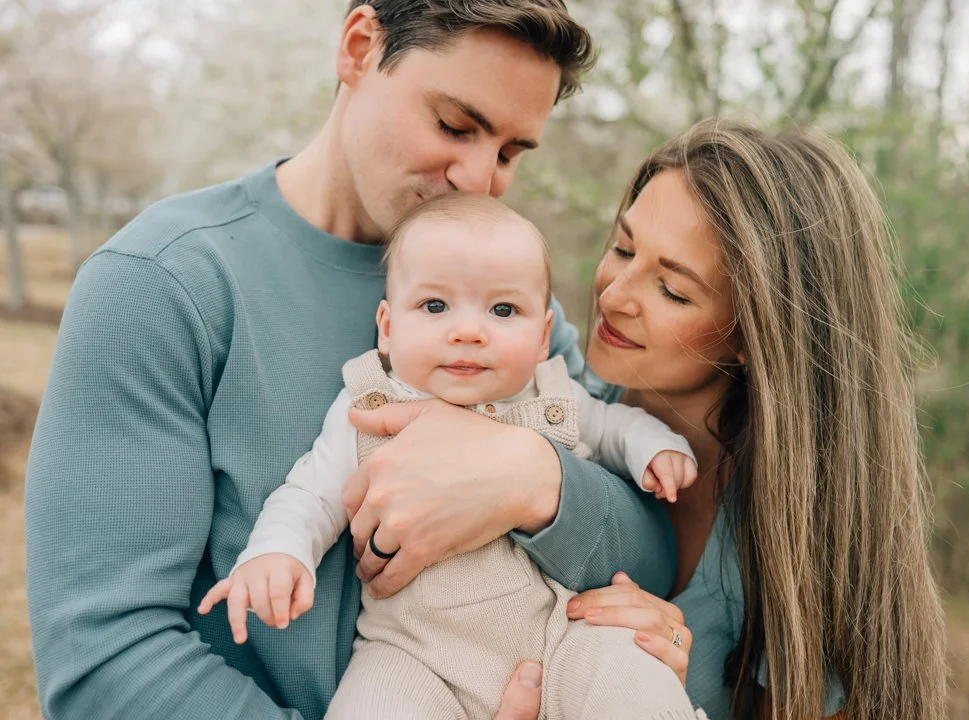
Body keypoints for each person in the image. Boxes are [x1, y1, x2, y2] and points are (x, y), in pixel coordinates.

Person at [25, 3, 677, 719]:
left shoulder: (504, 305)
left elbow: (649, 551)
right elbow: (105, 662)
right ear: (360, 47)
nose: (478, 178)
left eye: (510, 153)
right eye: (455, 126)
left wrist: (537, 482)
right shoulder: (162, 283)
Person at [357, 119, 950, 719]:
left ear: (756, 334)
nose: (614, 295)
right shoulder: (558, 404)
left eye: (672, 289)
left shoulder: (799, 540)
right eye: (622, 248)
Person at [201, 193, 700, 719]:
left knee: (633, 672)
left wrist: (655, 447)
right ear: (388, 327)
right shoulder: (370, 405)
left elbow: (614, 425)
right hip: (413, 657)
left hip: (560, 637)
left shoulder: (550, 395)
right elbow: (311, 493)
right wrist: (278, 552)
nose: (468, 331)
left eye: (503, 310)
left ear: (541, 338)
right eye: (435, 306)